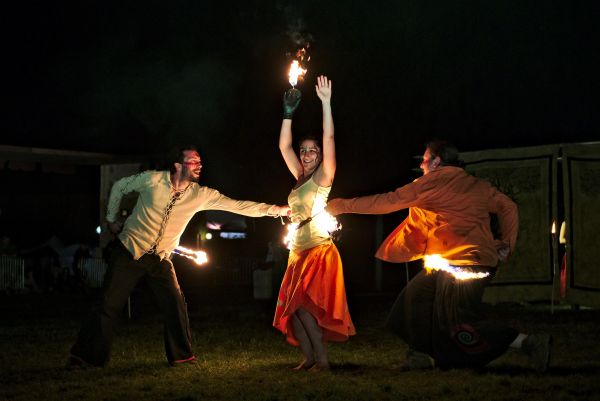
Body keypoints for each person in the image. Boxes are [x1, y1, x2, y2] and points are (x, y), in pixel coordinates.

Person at [326, 140, 552, 373]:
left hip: (462, 266)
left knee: (458, 324)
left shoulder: (430, 183)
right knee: (414, 300)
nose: (422, 165)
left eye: (425, 159)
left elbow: (387, 201)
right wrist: (507, 243)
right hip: (454, 263)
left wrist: (340, 205)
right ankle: (421, 355)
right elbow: (509, 207)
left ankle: (528, 342)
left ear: (436, 161)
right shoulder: (476, 184)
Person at [68, 146, 290, 368]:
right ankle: (86, 357)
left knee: (175, 304)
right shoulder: (152, 180)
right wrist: (111, 218)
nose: (199, 165)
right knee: (109, 305)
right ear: (177, 166)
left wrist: (277, 210)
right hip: (129, 251)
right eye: (193, 161)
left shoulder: (200, 195)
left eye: (200, 162)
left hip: (160, 259)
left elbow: (239, 206)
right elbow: (119, 186)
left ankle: (182, 356)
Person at [273, 76, 356, 372]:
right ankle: (309, 358)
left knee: (305, 309)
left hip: (319, 250)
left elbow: (330, 138)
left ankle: (322, 361)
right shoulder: (299, 176)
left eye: (312, 150)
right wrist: (287, 114)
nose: (307, 154)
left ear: (320, 156)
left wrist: (326, 103)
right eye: (304, 149)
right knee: (293, 311)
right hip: (298, 252)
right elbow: (284, 147)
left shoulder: (323, 176)